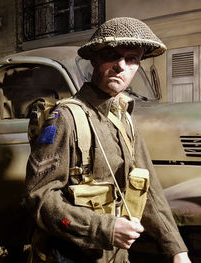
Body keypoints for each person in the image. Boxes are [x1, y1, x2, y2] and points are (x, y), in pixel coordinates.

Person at [25, 17, 191, 263]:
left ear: (138, 65)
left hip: (115, 256)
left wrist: (176, 249)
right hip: (72, 254)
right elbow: (39, 196)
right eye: (111, 55)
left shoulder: (124, 118)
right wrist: (105, 228)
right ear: (94, 58)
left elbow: (150, 190)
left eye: (132, 58)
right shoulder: (66, 118)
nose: (120, 65)